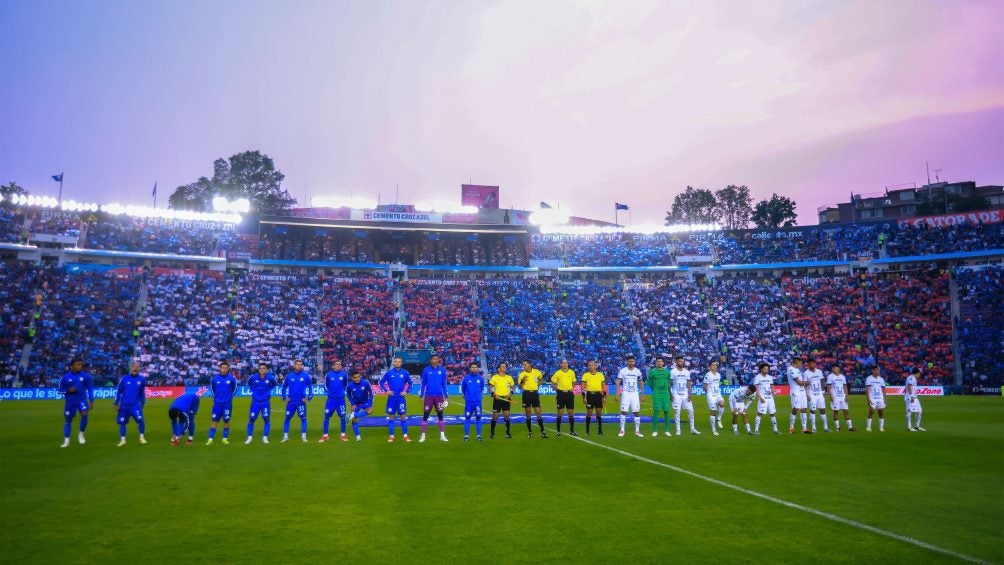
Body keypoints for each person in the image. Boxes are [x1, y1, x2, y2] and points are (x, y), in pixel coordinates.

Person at [58, 358, 94, 448]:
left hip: (82, 400)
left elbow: (90, 389)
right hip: (70, 402)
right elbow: (60, 390)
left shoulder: (86, 376)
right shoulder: (65, 377)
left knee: (85, 414)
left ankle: (81, 434)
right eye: (78, 364)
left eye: (81, 365)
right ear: (72, 366)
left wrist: (91, 401)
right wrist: (68, 390)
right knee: (68, 421)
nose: (80, 366)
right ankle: (66, 441)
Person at [379, 356, 412, 443]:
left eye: (399, 361)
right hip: (392, 398)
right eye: (395, 361)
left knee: (403, 417)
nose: (397, 363)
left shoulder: (405, 373)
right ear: (393, 362)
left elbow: (410, 383)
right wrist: (386, 391)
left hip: (401, 398)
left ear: (401, 363)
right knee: (391, 417)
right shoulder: (389, 373)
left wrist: (407, 391)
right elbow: (381, 382)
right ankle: (391, 436)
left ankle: (405, 436)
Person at [114, 361, 147, 446]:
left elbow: (142, 393)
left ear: (139, 369)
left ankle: (142, 437)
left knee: (140, 420)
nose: (135, 368)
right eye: (134, 366)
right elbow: (119, 391)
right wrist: (116, 403)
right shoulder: (124, 378)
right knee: (122, 423)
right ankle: (123, 440)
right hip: (124, 405)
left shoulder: (141, 379)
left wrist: (143, 402)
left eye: (137, 367)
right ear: (131, 368)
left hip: (135, 405)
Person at [281, 359, 314, 443]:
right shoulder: (289, 376)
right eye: (297, 364)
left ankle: (303, 436)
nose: (299, 366)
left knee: (303, 418)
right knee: (287, 418)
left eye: (300, 365)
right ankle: (285, 436)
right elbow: (284, 387)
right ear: (294, 365)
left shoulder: (305, 376)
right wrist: (284, 397)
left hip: (301, 402)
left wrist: (309, 397)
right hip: (291, 402)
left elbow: (310, 387)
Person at [419, 353, 449, 443]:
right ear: (431, 360)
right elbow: (423, 383)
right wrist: (421, 395)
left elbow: (444, 384)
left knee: (440, 416)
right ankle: (423, 436)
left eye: (437, 359)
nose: (435, 360)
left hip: (439, 397)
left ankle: (442, 436)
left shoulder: (442, 370)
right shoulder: (426, 370)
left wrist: (446, 397)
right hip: (428, 396)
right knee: (425, 416)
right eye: (434, 359)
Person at [206, 361, 237, 445]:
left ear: (228, 369)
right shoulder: (215, 379)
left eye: (226, 368)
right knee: (214, 421)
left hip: (227, 404)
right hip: (217, 404)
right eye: (222, 367)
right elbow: (212, 390)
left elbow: (234, 390)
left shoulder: (232, 379)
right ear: (220, 368)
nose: (224, 369)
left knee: (226, 421)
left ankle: (225, 439)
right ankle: (210, 439)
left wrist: (229, 398)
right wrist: (216, 398)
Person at [246, 362, 278, 444]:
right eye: (260, 368)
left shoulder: (270, 378)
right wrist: (253, 391)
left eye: (264, 368)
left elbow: (274, 385)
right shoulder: (253, 377)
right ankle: (249, 438)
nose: (262, 370)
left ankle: (265, 438)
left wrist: (269, 392)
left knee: (266, 419)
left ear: (266, 370)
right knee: (252, 419)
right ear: (258, 369)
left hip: (265, 402)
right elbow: (249, 384)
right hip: (255, 402)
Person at [320, 359, 349, 443]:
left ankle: (343, 435)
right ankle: (325, 435)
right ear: (333, 366)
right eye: (336, 364)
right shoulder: (328, 375)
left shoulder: (344, 375)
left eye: (340, 364)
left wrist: (342, 392)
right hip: (331, 400)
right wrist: (329, 392)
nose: (338, 365)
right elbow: (325, 385)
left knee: (343, 417)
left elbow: (345, 385)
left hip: (340, 400)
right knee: (326, 417)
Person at [616, 355, 644, 437]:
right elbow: (618, 382)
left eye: (633, 361)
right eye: (630, 361)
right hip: (626, 393)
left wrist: (643, 394)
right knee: (623, 412)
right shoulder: (622, 371)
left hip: (635, 394)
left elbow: (641, 382)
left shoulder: (638, 371)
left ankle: (637, 431)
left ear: (634, 362)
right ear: (627, 362)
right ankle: (622, 430)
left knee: (636, 412)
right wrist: (617, 394)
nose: (632, 363)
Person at [517, 360, 547, 438]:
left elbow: (541, 378)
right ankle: (530, 432)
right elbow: (519, 386)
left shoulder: (537, 372)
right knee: (528, 413)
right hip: (526, 394)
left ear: (529, 364)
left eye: (525, 364)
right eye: (523, 364)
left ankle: (543, 431)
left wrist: (538, 385)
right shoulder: (522, 374)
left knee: (538, 412)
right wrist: (523, 380)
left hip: (534, 393)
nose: (523, 366)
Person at [670, 356, 699, 435]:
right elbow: (670, 383)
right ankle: (678, 430)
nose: (681, 363)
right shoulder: (672, 371)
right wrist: (671, 394)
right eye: (679, 361)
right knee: (677, 412)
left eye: (682, 361)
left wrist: (690, 394)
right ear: (676, 362)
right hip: (676, 394)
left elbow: (688, 383)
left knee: (691, 411)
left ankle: (692, 428)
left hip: (685, 394)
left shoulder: (686, 371)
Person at [550, 359, 577, 436]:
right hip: (561, 394)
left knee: (571, 413)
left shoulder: (572, 372)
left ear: (568, 364)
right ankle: (558, 431)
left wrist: (571, 389)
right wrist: (557, 390)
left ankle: (572, 431)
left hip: (569, 394)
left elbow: (574, 382)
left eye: (566, 363)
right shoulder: (557, 373)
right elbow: (552, 384)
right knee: (560, 413)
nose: (565, 364)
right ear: (561, 365)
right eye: (563, 363)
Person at [488, 362, 515, 439]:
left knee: (507, 416)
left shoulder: (509, 377)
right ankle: (492, 433)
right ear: (499, 369)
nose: (504, 367)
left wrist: (510, 395)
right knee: (495, 417)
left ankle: (507, 433)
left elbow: (513, 388)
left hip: (506, 399)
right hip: (498, 399)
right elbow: (490, 388)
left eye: (505, 366)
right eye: (502, 366)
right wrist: (494, 395)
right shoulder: (494, 377)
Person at [460, 361, 485, 442]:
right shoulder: (466, 378)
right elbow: (463, 389)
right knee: (467, 419)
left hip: (478, 403)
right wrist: (467, 397)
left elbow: (481, 388)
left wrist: (477, 397)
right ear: (470, 368)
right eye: (472, 367)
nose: (474, 369)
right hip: (469, 403)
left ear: (477, 368)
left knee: (478, 418)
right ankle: (466, 436)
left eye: (475, 367)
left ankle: (478, 436)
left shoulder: (480, 379)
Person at [825, 364, 855, 432]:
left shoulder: (842, 377)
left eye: (835, 368)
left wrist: (846, 396)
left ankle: (850, 427)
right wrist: (830, 396)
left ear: (838, 368)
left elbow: (845, 387)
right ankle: (838, 428)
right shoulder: (830, 376)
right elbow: (828, 387)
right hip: (835, 397)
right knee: (836, 412)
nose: (834, 369)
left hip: (842, 397)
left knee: (846, 411)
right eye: (833, 368)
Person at [647, 356, 672, 437]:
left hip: (666, 395)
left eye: (661, 361)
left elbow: (669, 384)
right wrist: (655, 390)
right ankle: (655, 430)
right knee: (656, 412)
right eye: (658, 361)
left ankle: (667, 430)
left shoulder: (667, 372)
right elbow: (650, 383)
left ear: (663, 363)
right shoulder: (652, 372)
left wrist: (670, 394)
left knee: (667, 412)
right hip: (657, 395)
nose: (659, 363)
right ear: (656, 363)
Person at [581, 360, 607, 436]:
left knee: (599, 413)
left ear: (596, 366)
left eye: (592, 365)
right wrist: (584, 397)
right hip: (590, 395)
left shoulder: (600, 375)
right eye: (589, 365)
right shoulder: (585, 375)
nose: (590, 366)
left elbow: (604, 387)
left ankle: (600, 430)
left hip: (598, 395)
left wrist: (604, 398)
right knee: (589, 413)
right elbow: (582, 387)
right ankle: (587, 430)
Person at [753, 362, 780, 435]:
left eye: (767, 369)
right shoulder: (757, 377)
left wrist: (773, 391)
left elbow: (772, 387)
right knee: (759, 413)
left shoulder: (770, 377)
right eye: (765, 369)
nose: (766, 370)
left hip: (770, 398)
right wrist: (760, 397)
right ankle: (756, 430)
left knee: (772, 413)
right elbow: (756, 389)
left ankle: (775, 430)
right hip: (763, 398)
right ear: (761, 369)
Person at [803, 359, 829, 433]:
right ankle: (814, 428)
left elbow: (822, 381)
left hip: (820, 393)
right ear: (808, 365)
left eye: (813, 363)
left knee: (823, 410)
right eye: (810, 364)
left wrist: (823, 391)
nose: (812, 365)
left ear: (815, 364)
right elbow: (804, 384)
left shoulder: (819, 371)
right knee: (812, 411)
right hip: (811, 393)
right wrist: (806, 395)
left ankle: (826, 427)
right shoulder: (806, 373)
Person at [346, 371, 373, 441]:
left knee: (370, 411)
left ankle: (352, 415)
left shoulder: (365, 383)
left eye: (358, 377)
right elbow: (348, 394)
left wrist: (369, 403)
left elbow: (371, 393)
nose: (357, 379)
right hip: (355, 404)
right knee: (354, 421)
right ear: (352, 378)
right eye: (355, 377)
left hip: (365, 402)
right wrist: (352, 404)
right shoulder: (350, 386)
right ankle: (358, 437)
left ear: (360, 376)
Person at [787, 358, 810, 434]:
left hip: (802, 391)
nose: (801, 365)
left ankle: (804, 428)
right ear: (796, 362)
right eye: (800, 363)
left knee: (804, 409)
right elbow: (798, 382)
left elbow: (801, 382)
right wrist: (806, 382)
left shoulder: (797, 370)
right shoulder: (791, 369)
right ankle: (791, 428)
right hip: (795, 391)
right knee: (795, 409)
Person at [702, 360, 725, 436]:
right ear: (710, 366)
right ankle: (713, 429)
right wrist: (709, 394)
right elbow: (704, 386)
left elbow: (717, 384)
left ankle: (719, 419)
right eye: (713, 365)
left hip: (717, 393)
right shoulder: (708, 375)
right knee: (713, 412)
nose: (715, 366)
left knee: (722, 404)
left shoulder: (718, 375)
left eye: (715, 365)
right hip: (711, 395)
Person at [864, 366, 886, 432]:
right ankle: (868, 427)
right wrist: (868, 398)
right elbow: (867, 390)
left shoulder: (881, 379)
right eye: (875, 370)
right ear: (872, 371)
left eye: (878, 370)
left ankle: (881, 428)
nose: (877, 372)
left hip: (880, 398)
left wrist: (884, 398)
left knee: (881, 412)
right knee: (871, 412)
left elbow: (883, 389)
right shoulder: (869, 378)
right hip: (872, 398)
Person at [905, 367, 926, 432]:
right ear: (917, 373)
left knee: (920, 411)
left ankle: (917, 426)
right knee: (909, 411)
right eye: (919, 373)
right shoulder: (911, 378)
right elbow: (909, 387)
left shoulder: (914, 378)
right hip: (910, 397)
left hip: (915, 397)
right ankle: (909, 427)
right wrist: (911, 396)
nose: (920, 375)